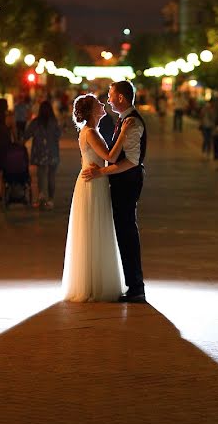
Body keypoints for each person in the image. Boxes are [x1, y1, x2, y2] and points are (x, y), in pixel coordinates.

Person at [82, 80, 148, 303]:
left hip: (128, 183)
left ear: (121, 97)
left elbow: (131, 161)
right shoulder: (124, 120)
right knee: (123, 231)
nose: (108, 99)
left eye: (110, 95)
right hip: (122, 182)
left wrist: (103, 172)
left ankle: (136, 286)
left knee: (127, 231)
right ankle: (133, 284)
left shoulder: (132, 122)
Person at [63, 94, 128, 302]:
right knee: (94, 228)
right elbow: (110, 157)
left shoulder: (90, 131)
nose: (103, 105)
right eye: (98, 104)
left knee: (93, 229)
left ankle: (92, 282)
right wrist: (124, 134)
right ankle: (94, 284)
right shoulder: (90, 132)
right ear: (91, 111)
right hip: (93, 182)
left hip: (93, 180)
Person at [24, 100, 62, 209]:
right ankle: (50, 200)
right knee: (51, 176)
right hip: (52, 152)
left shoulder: (36, 122)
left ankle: (41, 195)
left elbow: (27, 135)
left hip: (39, 152)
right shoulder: (54, 122)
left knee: (41, 175)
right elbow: (58, 134)